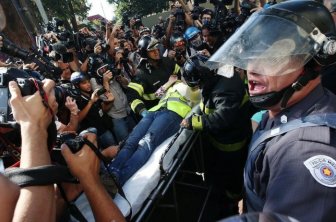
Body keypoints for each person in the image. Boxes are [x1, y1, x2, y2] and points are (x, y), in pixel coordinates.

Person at [207, 1, 336, 221]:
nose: (252, 68)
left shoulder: (305, 151)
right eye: (252, 54)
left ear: (314, 63)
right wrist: (253, 200)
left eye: (273, 57)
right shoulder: (284, 103)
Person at [180, 54, 252, 220]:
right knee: (221, 177)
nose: (198, 87)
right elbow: (209, 103)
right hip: (220, 143)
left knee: (232, 180)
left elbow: (222, 118)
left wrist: (194, 122)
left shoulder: (225, 88)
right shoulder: (218, 78)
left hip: (231, 147)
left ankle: (232, 208)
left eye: (198, 84)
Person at [106, 77, 200, 186]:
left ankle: (118, 180)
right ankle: (111, 172)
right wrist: (169, 82)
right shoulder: (175, 83)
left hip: (172, 114)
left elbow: (194, 96)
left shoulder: (196, 90)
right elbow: (157, 94)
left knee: (145, 143)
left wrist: (189, 83)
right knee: (130, 142)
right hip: (154, 111)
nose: (184, 76)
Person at [126, 35, 181, 118]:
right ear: (144, 53)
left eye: (156, 48)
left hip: (179, 105)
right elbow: (132, 97)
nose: (156, 51)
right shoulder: (141, 74)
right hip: (160, 114)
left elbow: (178, 72)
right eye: (151, 50)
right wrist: (143, 111)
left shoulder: (166, 61)